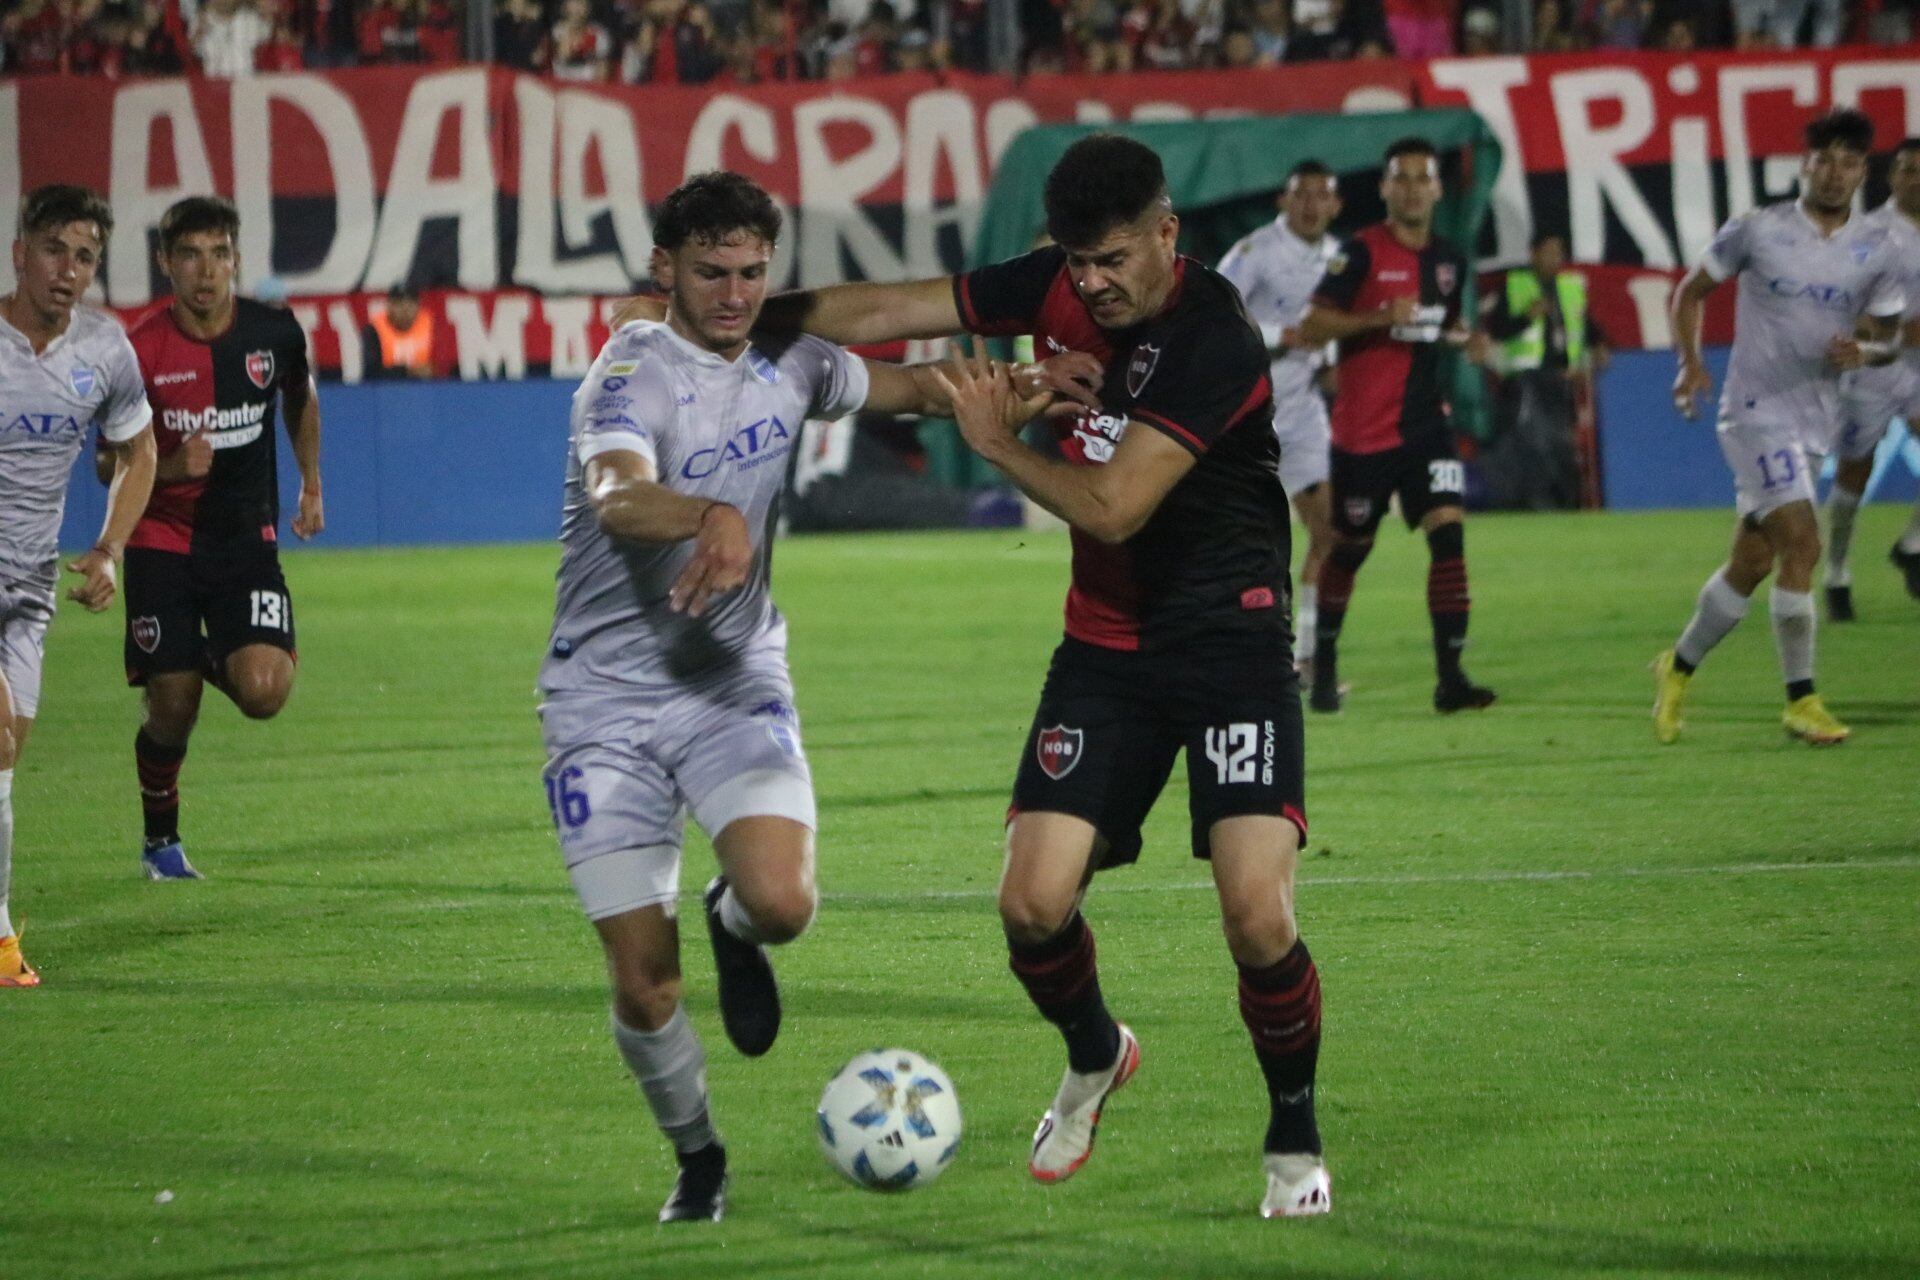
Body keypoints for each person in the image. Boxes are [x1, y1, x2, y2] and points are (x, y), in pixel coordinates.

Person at [628, 135, 1331, 1219]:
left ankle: (1293, 1131)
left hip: (1231, 651)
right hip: (1106, 646)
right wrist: (736, 314)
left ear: (1166, 235)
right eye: (1075, 262)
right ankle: (1098, 1055)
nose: (1091, 283)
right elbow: (890, 306)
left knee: (1255, 916)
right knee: (1031, 904)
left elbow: (1113, 508)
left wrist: (993, 437)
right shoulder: (1056, 283)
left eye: (1110, 261)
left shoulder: (1213, 336)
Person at [540, 171, 1076, 1224]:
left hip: (733, 676)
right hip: (602, 702)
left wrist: (1035, 381)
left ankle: (731, 922)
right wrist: (709, 515)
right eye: (710, 272)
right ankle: (698, 1155)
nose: (734, 293)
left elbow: (918, 388)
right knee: (646, 984)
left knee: (784, 902)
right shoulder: (630, 372)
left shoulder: (795, 360)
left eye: (750, 272)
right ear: (665, 270)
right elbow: (614, 492)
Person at [1653, 109, 1907, 747]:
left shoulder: (1879, 249)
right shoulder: (1758, 229)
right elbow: (1690, 291)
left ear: (1862, 173)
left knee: (1753, 560)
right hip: (1753, 413)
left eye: (1849, 162)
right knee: (1803, 544)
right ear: (1805, 164)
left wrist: (1866, 354)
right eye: (1825, 160)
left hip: (1815, 420)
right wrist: (1689, 363)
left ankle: (1677, 667)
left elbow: (1890, 340)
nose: (1835, 173)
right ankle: (1802, 700)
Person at [117, 196, 325, 878]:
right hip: (161, 540)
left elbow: (299, 394)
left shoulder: (273, 333)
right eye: (189, 255)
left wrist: (310, 483)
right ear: (164, 263)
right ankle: (161, 844)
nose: (205, 272)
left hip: (244, 544)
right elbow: (102, 460)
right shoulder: (140, 350)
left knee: (265, 692)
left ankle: (195, 654)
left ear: (236, 260)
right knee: (172, 708)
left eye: (218, 255)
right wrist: (172, 467)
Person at [0, 185, 158, 988]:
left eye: (86, 256)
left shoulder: (104, 350)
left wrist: (109, 549)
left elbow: (139, 450)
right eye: (55, 249)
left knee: (4, 763)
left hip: (27, 590)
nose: (69, 269)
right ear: (20, 251)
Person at [1298, 136, 1495, 716]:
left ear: (1437, 189)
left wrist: (1468, 339)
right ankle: (1326, 665)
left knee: (1449, 536)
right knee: (1349, 551)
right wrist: (1378, 317)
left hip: (1425, 426)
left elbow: (1446, 325)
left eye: (1422, 178)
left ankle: (1450, 679)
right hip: (1363, 435)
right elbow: (1312, 325)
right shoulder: (1358, 253)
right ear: (1385, 188)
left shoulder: (1450, 261)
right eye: (1400, 178)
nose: (1412, 188)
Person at [1217, 159, 1343, 683]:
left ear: (1336, 205)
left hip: (1305, 413)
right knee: (1253, 547)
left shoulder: (1340, 258)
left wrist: (1333, 358)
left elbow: (1339, 323)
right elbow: (1213, 310)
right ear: (1283, 202)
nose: (1312, 204)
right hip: (1247, 414)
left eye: (1323, 195)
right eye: (1302, 194)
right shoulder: (1256, 252)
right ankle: (1246, 651)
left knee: (1331, 533)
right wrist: (1278, 335)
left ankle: (1308, 658)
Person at [1824, 137, 1920, 618]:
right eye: (1907, 169)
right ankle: (1837, 572)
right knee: (1854, 474)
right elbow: (1844, 301)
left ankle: (1912, 545)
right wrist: (1896, 329)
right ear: (1891, 178)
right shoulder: (1869, 232)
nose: (1916, 178)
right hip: (1877, 364)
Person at [1480, 230, 1608, 511]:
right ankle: (1532, 505)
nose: (1554, 258)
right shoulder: (1515, 286)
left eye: (1559, 252)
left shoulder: (1570, 288)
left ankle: (1565, 505)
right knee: (1532, 444)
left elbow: (1586, 326)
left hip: (1561, 382)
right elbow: (1497, 330)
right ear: (1533, 254)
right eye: (1548, 251)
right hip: (1526, 382)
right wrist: (1527, 317)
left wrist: (1598, 345)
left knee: (1562, 445)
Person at [361, 282, 438, 380]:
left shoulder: (432, 325)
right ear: (389, 306)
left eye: (411, 304)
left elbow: (446, 367)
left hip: (427, 389)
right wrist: (408, 372)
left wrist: (434, 370)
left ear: (418, 305)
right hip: (386, 390)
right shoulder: (374, 330)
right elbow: (370, 373)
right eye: (399, 304)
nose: (405, 310)